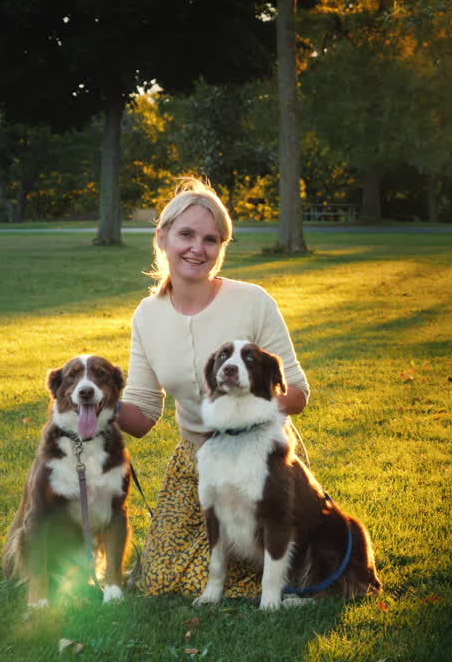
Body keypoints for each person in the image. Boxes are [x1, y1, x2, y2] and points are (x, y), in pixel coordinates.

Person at [116, 177, 309, 597]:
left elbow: (297, 393)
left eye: (211, 239)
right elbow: (144, 414)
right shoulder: (146, 316)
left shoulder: (253, 300)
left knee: (260, 567)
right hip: (196, 456)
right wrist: (99, 403)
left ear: (221, 249)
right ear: (162, 236)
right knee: (159, 580)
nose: (197, 249)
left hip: (262, 454)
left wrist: (243, 411)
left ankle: (282, 582)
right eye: (186, 234)